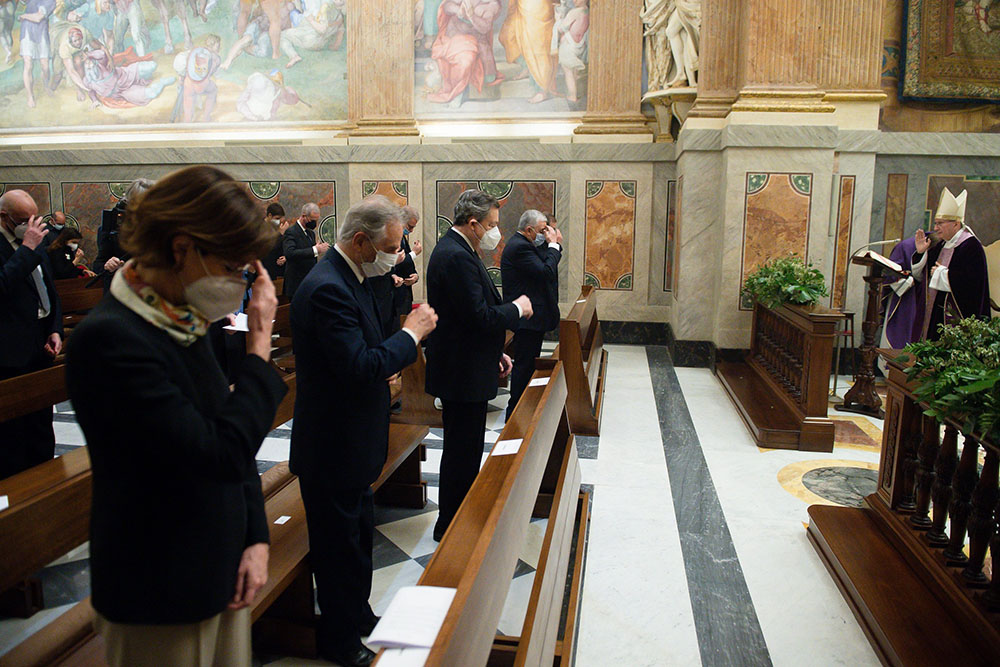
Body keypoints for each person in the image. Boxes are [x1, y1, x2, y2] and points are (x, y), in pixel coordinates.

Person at [65, 165, 287, 666]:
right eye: (234, 266)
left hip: (223, 563)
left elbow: (227, 427)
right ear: (183, 248)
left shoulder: (180, 315)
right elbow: (216, 453)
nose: (240, 283)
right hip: (162, 585)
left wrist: (254, 535)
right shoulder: (112, 340)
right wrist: (257, 352)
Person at [289, 195, 438, 667]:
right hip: (333, 445)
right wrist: (411, 335)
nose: (398, 253)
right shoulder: (327, 287)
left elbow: (369, 346)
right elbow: (360, 365)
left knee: (356, 539)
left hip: (356, 439)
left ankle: (358, 614)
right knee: (336, 549)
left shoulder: (354, 278)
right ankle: (338, 639)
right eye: (391, 246)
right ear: (360, 241)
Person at [425, 189, 533, 541]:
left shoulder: (460, 250)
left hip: (469, 364)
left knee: (467, 450)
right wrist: (517, 308)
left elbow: (467, 319)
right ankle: (452, 528)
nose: (494, 231)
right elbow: (479, 316)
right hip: (460, 373)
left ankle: (461, 520)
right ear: (473, 224)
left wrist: (493, 353)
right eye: (491, 224)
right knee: (461, 453)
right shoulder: (454, 255)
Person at [0, 189, 62, 480]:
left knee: (40, 426)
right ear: (5, 218)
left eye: (34, 217)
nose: (32, 224)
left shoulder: (36, 241)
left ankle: (46, 483)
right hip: (9, 354)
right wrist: (25, 249)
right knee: (13, 435)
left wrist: (54, 329)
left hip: (40, 345)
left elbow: (48, 289)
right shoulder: (22, 244)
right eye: (24, 219)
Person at [500, 209, 562, 422]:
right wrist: (554, 245)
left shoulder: (527, 245)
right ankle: (515, 415)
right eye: (542, 230)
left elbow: (544, 266)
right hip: (527, 319)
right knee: (524, 367)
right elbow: (546, 272)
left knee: (527, 365)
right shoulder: (519, 247)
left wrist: (549, 244)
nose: (546, 233)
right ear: (529, 229)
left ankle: (522, 410)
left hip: (533, 318)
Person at [911, 187, 991, 340]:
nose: (935, 228)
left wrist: (943, 274)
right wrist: (921, 253)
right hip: (934, 315)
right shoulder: (941, 244)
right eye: (935, 223)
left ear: (956, 224)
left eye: (940, 223)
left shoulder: (971, 246)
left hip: (955, 318)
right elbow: (922, 277)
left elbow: (973, 285)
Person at [427, 0, 502, 104]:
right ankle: (451, 85)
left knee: (470, 63)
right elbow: (447, 6)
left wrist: (471, 16)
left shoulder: (491, 4)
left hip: (476, 41)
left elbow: (485, 28)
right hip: (453, 37)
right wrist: (458, 10)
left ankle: (457, 91)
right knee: (449, 54)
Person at [95, 178, 153, 292]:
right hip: (123, 291)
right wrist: (109, 265)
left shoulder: (163, 229)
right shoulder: (110, 228)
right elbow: (98, 264)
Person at [499, 0, 557, 103]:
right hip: (521, 5)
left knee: (537, 48)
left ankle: (542, 90)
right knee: (507, 36)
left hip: (538, 7)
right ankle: (527, 66)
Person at [282, 202, 328, 299]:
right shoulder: (291, 232)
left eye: (316, 220)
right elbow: (290, 253)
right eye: (312, 220)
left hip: (308, 282)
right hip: (296, 283)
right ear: (304, 216)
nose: (314, 223)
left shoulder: (311, 233)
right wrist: (315, 249)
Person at [391, 205, 423, 317]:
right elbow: (393, 264)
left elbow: (408, 266)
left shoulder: (402, 238)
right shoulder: (391, 238)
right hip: (394, 298)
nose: (411, 231)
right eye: (410, 227)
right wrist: (414, 253)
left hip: (406, 295)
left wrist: (415, 276)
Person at [261, 202, 288, 278]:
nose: (279, 221)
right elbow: (268, 247)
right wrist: (280, 234)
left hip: (279, 271)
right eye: (277, 218)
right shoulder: (260, 227)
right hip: (265, 270)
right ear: (269, 216)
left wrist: (285, 257)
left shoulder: (278, 226)